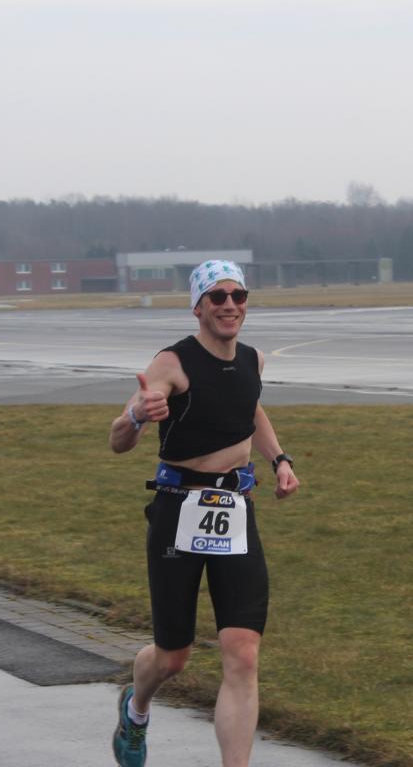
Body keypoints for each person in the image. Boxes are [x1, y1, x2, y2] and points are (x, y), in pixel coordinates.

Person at [108, 259, 300, 767]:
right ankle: (136, 708)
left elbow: (249, 408)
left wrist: (279, 459)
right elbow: (117, 439)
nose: (230, 305)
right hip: (179, 511)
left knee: (243, 652)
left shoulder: (253, 360)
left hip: (235, 511)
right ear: (198, 306)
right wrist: (137, 416)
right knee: (173, 657)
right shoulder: (172, 363)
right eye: (218, 296)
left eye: (239, 295)